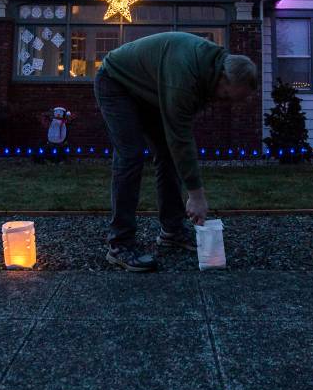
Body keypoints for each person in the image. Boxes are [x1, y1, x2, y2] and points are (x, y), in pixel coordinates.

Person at [93, 31, 258, 271]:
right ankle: (120, 243)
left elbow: (178, 139)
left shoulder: (209, 71)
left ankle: (171, 231)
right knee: (131, 155)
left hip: (149, 89)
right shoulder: (185, 75)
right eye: (225, 96)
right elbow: (180, 137)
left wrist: (193, 190)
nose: (222, 102)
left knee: (167, 155)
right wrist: (197, 195)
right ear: (223, 78)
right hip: (116, 81)